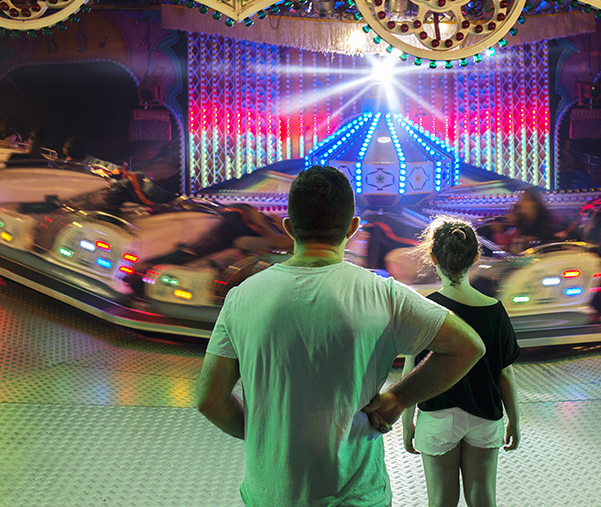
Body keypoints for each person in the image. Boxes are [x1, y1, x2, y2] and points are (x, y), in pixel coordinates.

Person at [196, 166, 485, 507]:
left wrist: (261, 434)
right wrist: (399, 398)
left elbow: (210, 400)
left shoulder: (242, 296)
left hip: (270, 494)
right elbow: (468, 346)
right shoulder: (383, 295)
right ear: (352, 227)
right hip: (357, 496)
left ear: (289, 228)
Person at [401, 216, 520, 507]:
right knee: (482, 496)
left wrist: (406, 424)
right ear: (476, 258)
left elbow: (410, 373)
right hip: (485, 416)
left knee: (441, 500)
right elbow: (505, 374)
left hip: (438, 417)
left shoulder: (425, 310)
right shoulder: (495, 310)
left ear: (432, 257)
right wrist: (514, 421)